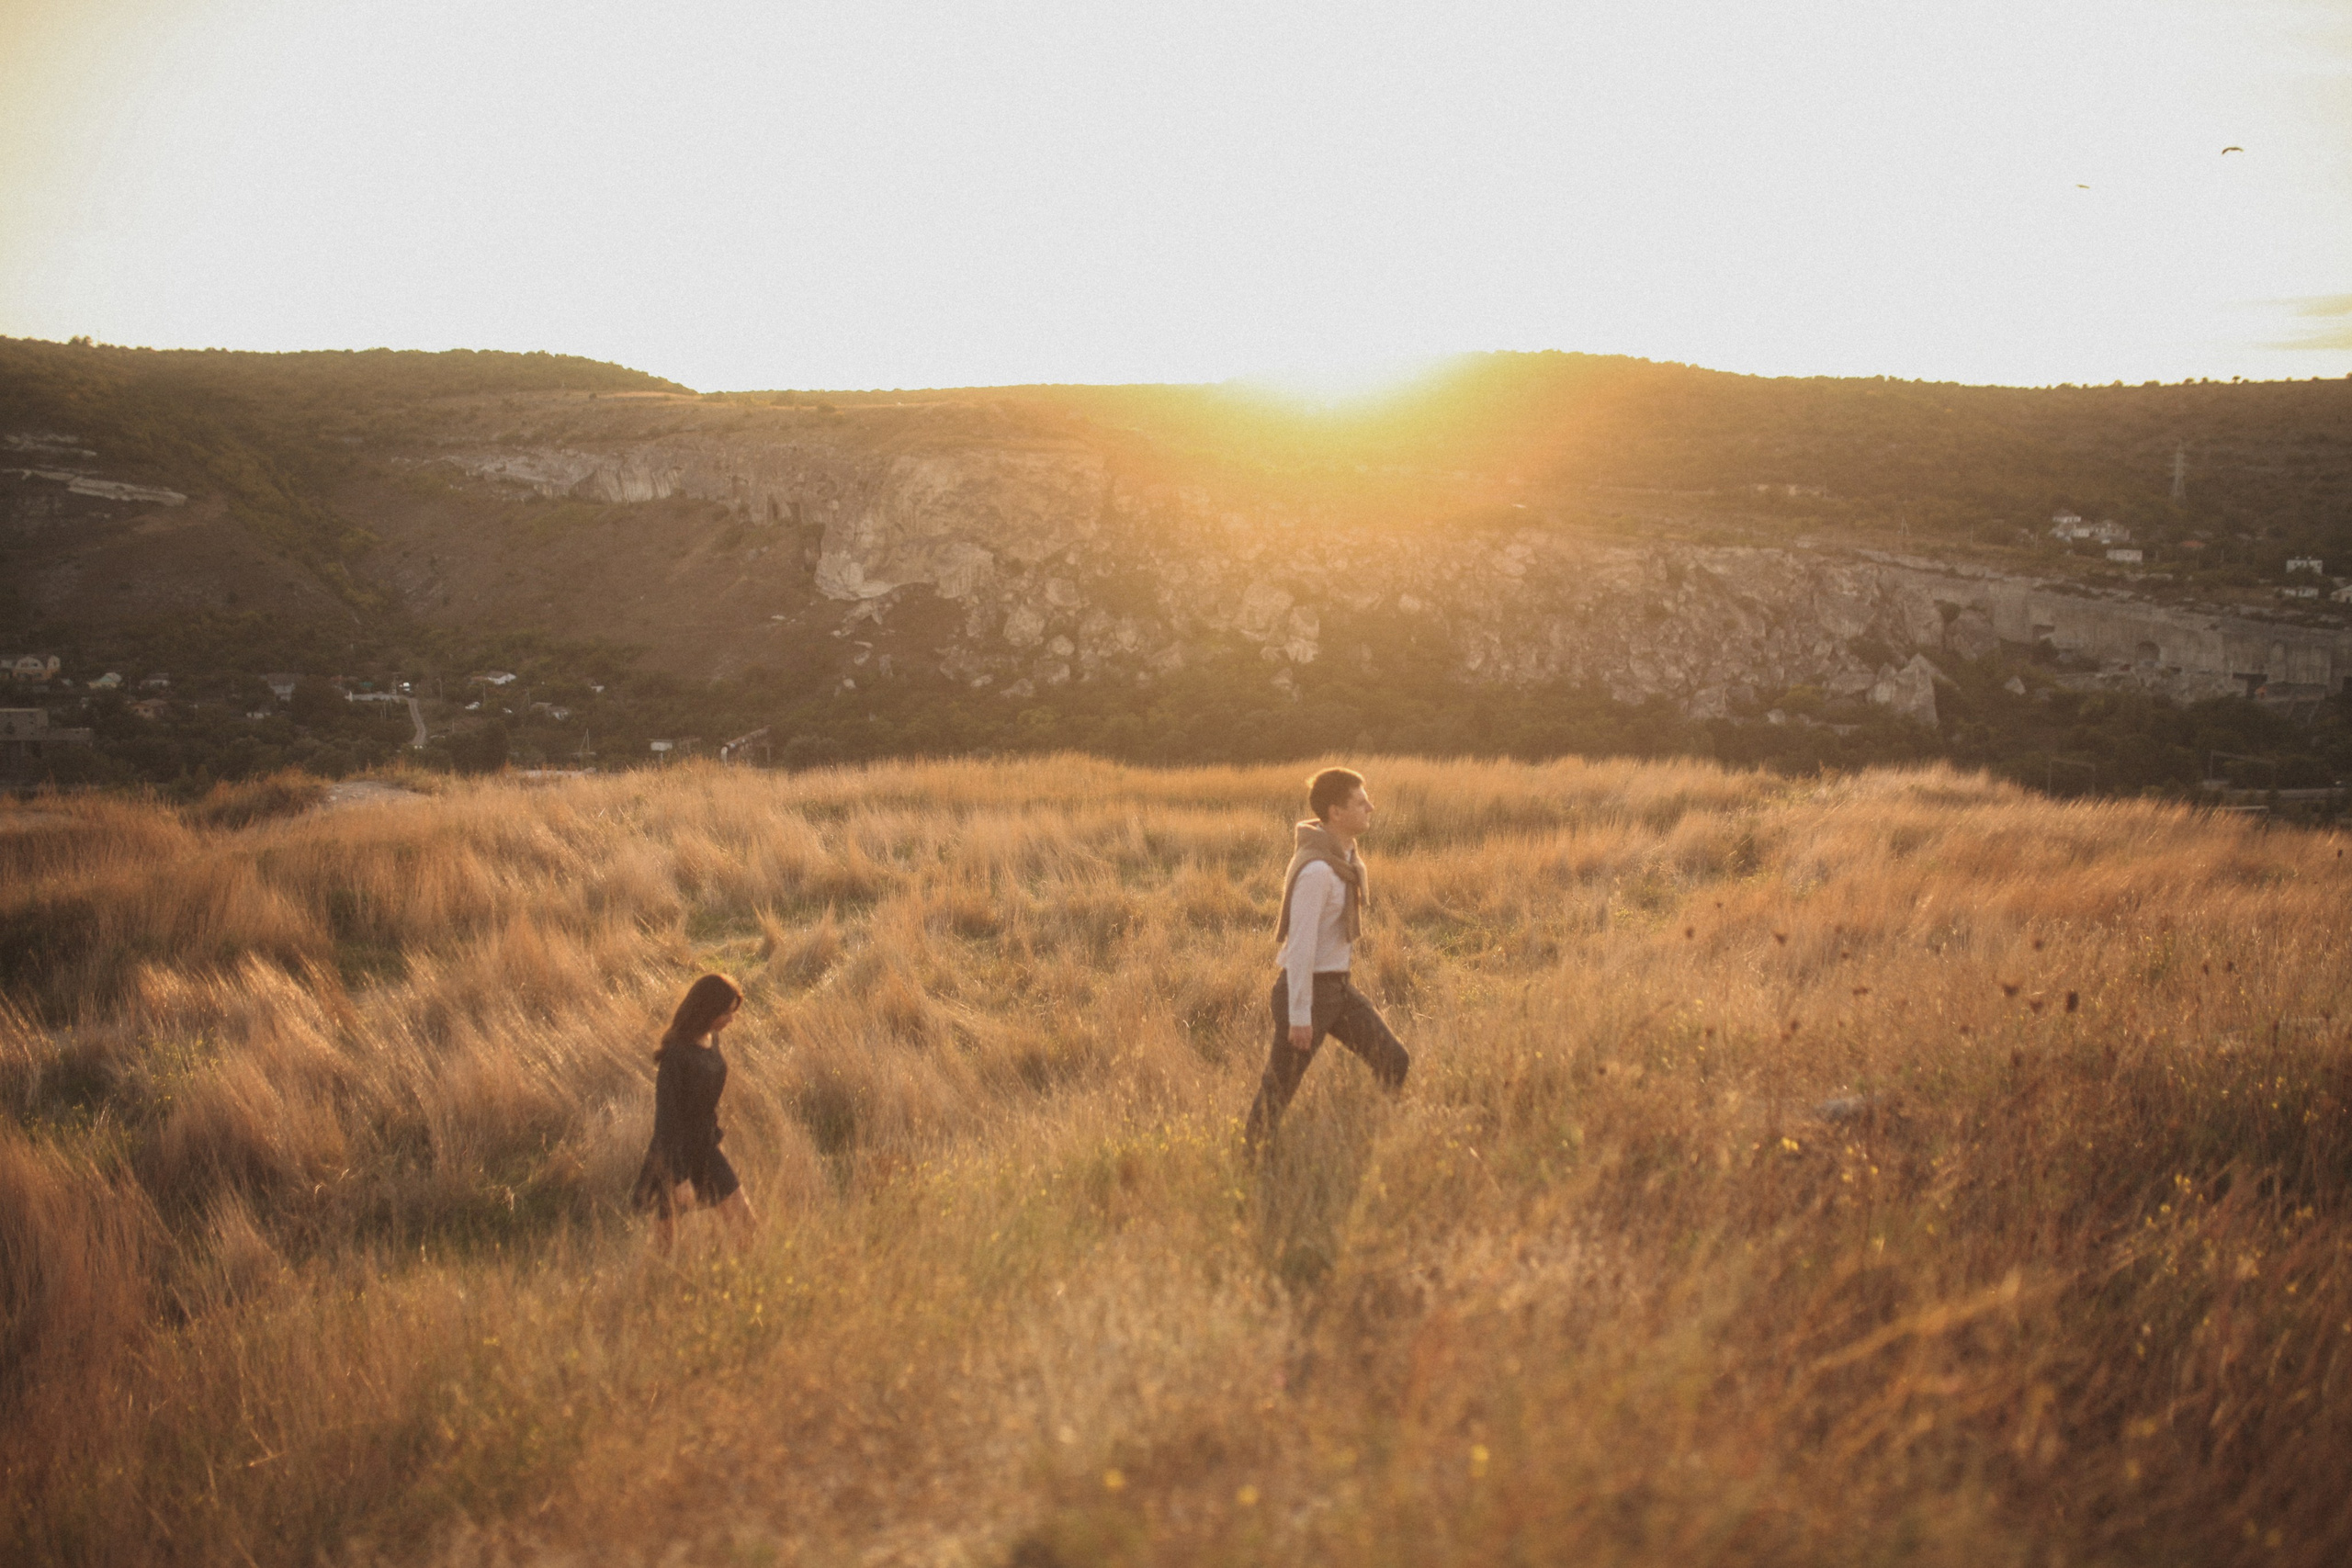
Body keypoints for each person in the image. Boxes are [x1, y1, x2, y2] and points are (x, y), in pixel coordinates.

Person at [1243, 766, 1409, 1152]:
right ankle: (1251, 1162)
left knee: (1394, 1061)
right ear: (1336, 813)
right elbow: (1300, 947)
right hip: (1308, 993)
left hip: (1338, 989)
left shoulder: (1344, 860)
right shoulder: (1318, 870)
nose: (1371, 806)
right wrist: (1300, 1016)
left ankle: (1382, 1139)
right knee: (1278, 1092)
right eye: (1360, 801)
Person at [632, 972, 757, 1253]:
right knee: (666, 1246)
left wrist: (715, 1138)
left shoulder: (712, 1039)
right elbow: (666, 1123)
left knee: (746, 1224)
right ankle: (654, 1291)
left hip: (706, 1148)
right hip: (673, 1155)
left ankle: (744, 1282)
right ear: (708, 1011)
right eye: (726, 1013)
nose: (731, 1019)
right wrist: (678, 1179)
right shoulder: (676, 1057)